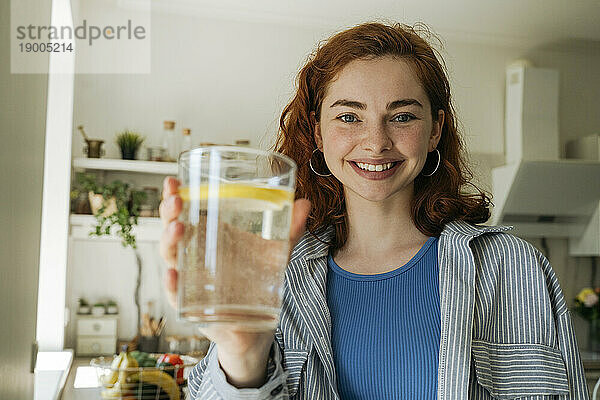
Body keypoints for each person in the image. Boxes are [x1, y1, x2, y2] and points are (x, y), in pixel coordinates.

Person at [159, 22, 589, 399]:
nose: (376, 141)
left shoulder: (513, 267)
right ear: (318, 132)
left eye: (402, 117)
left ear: (435, 130)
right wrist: (242, 358)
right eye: (349, 116)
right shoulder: (274, 275)